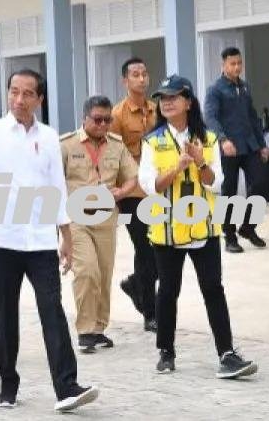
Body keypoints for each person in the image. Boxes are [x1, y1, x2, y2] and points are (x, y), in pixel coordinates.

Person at [0, 70, 99, 413]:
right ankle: (7, 384)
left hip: (40, 241)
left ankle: (67, 387)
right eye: (14, 92)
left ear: (39, 99)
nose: (19, 99)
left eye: (27, 93)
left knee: (52, 310)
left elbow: (56, 187)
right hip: (1, 239)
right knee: (4, 316)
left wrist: (66, 235)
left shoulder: (49, 136)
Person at [140, 75, 258, 380]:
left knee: (213, 289)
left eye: (173, 97)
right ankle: (166, 351)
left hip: (203, 228)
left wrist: (200, 162)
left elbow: (216, 183)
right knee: (168, 291)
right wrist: (177, 167)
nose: (166, 103)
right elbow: (150, 185)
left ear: (188, 102)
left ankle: (227, 354)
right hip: (167, 230)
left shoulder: (209, 139)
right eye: (163, 98)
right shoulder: (152, 141)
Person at [60, 96, 139, 354]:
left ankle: (98, 328)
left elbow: (132, 176)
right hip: (76, 219)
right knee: (87, 271)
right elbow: (53, 182)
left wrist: (122, 192)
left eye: (107, 120)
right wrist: (60, 228)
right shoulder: (67, 145)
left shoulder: (117, 145)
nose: (103, 124)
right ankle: (85, 330)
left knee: (104, 274)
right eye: (97, 120)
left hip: (106, 218)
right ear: (84, 118)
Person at [109, 56, 159, 332]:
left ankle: (135, 284)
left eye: (144, 73)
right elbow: (113, 155)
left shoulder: (157, 109)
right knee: (145, 250)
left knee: (162, 250)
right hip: (132, 193)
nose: (141, 78)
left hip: (158, 189)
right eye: (135, 74)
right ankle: (150, 313)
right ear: (125, 81)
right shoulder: (117, 115)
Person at [204, 47, 269, 252]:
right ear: (223, 65)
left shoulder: (245, 87)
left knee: (260, 185)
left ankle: (248, 228)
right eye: (232, 64)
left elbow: (253, 117)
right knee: (229, 192)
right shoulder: (215, 90)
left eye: (239, 63)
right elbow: (210, 118)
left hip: (250, 146)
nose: (237, 67)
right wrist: (223, 140)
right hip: (228, 148)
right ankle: (229, 236)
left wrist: (262, 144)